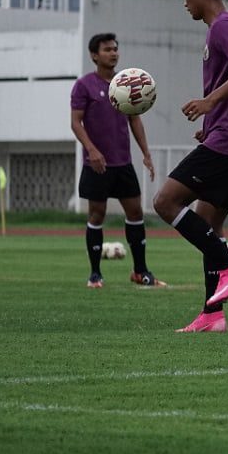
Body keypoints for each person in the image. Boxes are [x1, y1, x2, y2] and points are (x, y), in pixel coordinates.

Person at [152, 0, 228, 333]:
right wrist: (212, 123)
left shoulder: (223, 27)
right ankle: (212, 315)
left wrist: (210, 102)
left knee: (165, 201)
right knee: (208, 221)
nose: (185, 2)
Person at [70, 33, 164, 289]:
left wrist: (145, 153)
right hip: (96, 164)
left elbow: (134, 119)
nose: (113, 53)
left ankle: (140, 272)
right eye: (107, 49)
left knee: (135, 212)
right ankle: (95, 275)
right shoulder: (84, 85)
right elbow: (75, 122)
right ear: (94, 55)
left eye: (115, 49)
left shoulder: (126, 83)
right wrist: (92, 150)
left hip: (123, 162)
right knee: (97, 214)